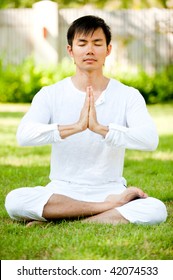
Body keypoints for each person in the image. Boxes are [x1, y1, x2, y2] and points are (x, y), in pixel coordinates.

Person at [5, 15, 167, 226]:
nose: (90, 50)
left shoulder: (128, 95)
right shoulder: (50, 94)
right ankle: (104, 211)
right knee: (14, 200)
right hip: (63, 189)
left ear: (108, 50)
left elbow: (149, 140)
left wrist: (102, 129)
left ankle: (67, 220)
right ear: (70, 50)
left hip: (109, 189)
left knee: (156, 210)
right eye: (82, 43)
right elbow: (24, 136)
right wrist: (75, 127)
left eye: (97, 43)